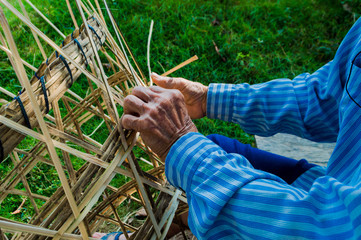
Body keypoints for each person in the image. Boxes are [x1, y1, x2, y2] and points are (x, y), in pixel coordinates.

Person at [104, 18, 361, 240]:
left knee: (205, 169)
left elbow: (323, 229)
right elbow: (327, 94)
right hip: (336, 186)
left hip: (326, 220)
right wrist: (208, 99)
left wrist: (180, 143)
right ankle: (181, 224)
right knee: (218, 147)